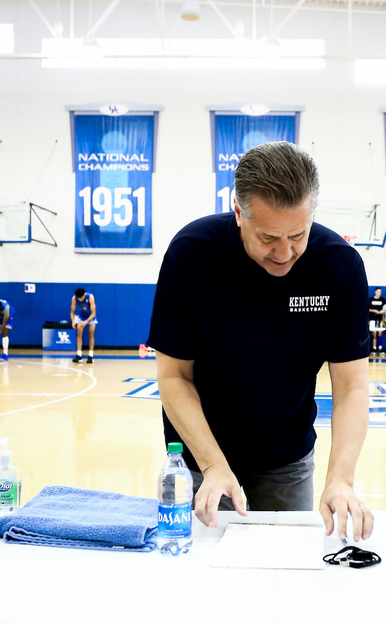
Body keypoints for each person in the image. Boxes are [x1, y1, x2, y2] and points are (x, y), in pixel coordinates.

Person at [146, 140, 373, 541]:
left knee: (286, 571)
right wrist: (213, 464)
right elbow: (173, 377)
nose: (285, 252)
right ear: (238, 213)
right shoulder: (192, 254)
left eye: (298, 234)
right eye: (269, 237)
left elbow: (352, 386)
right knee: (198, 568)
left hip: (287, 456)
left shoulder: (340, 267)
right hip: (200, 453)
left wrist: (341, 478)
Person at [70, 287, 96, 364]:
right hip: (82, 316)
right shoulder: (74, 298)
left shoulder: (90, 297)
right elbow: (72, 312)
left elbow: (94, 313)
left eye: (81, 298)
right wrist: (73, 321)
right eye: (79, 298)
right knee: (79, 332)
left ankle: (90, 356)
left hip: (91, 316)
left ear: (84, 294)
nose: (80, 300)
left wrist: (86, 322)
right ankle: (79, 355)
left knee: (91, 333)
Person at [369, 287, 385, 355]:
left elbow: (385, 309)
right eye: (378, 291)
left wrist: (382, 311)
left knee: (380, 333)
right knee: (374, 333)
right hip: (372, 319)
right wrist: (373, 310)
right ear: (375, 292)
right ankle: (374, 348)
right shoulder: (371, 299)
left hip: (380, 318)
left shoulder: (383, 300)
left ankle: (380, 348)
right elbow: (368, 309)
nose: (379, 293)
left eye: (380, 292)